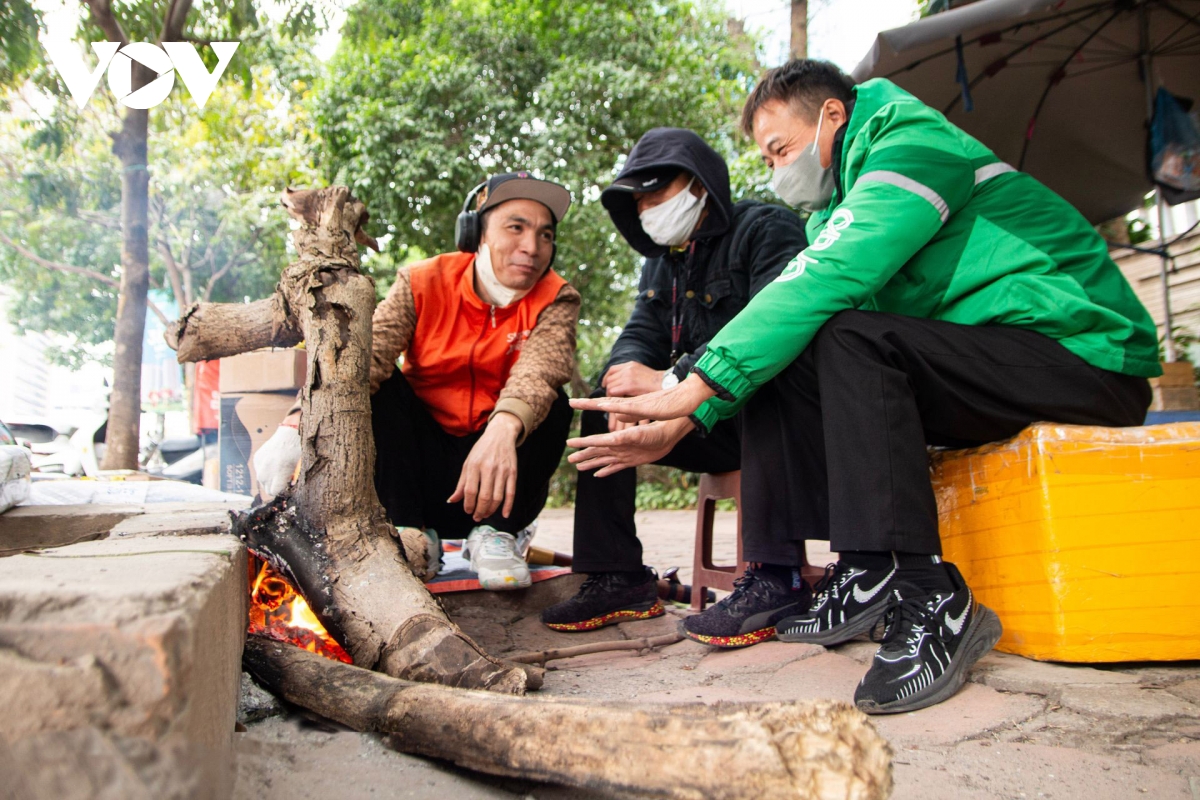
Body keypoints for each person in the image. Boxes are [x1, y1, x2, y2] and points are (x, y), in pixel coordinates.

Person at [567, 60, 1158, 714]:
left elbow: (831, 275)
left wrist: (688, 387)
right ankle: (864, 569)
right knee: (802, 346)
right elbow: (798, 318)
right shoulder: (832, 211)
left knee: (847, 331)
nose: (774, 171)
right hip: (996, 362)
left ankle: (931, 597)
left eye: (781, 150)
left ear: (833, 117)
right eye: (764, 159)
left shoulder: (913, 144)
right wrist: (685, 418)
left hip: (1086, 355)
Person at [254, 172, 580, 590]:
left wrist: (503, 428)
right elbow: (368, 357)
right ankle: (411, 536)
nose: (532, 247)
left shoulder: (557, 297)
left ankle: (498, 535)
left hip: (500, 480)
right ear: (476, 232)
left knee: (553, 404)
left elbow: (540, 370)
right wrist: (297, 423)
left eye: (545, 235)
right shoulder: (423, 281)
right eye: (516, 227)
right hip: (419, 474)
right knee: (379, 385)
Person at [540, 128, 809, 632]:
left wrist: (670, 380)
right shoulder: (661, 265)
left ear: (700, 185)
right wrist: (624, 385)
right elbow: (640, 332)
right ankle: (617, 576)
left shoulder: (766, 228)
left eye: (657, 193)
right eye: (639, 201)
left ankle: (779, 578)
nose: (647, 208)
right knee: (604, 402)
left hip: (771, 420)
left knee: (767, 378)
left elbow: (770, 332)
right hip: (699, 421)